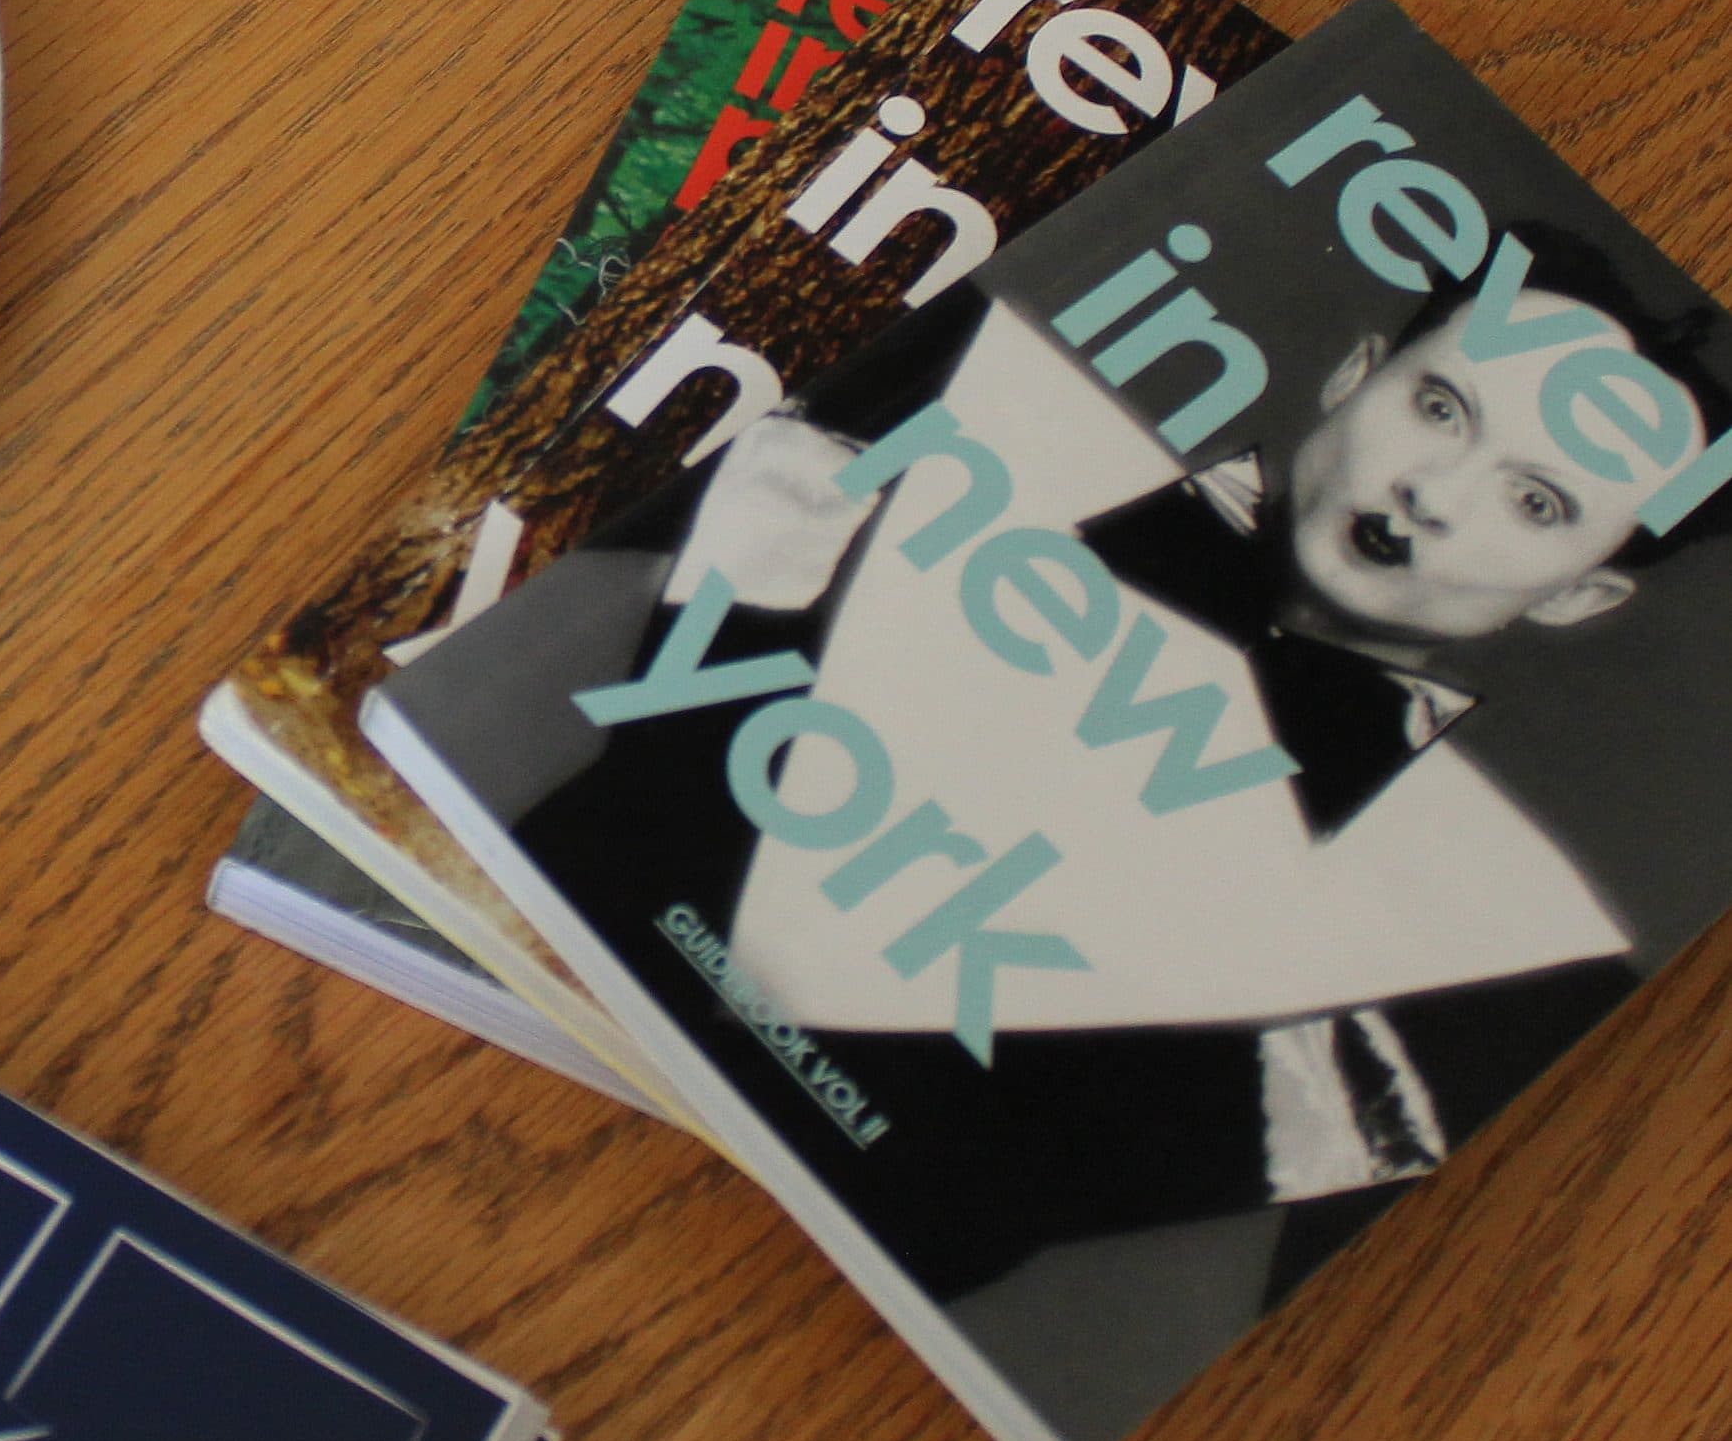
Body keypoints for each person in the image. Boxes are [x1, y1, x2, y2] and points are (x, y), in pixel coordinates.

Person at [452, 222, 1732, 1330]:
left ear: (1578, 594)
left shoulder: (1477, 977)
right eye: (1441, 409)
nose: (1431, 490)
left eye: (1540, 501)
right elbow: (614, 749)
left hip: (735, 1276)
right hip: (482, 972)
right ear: (1356, 374)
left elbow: (988, 1188)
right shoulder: (943, 403)